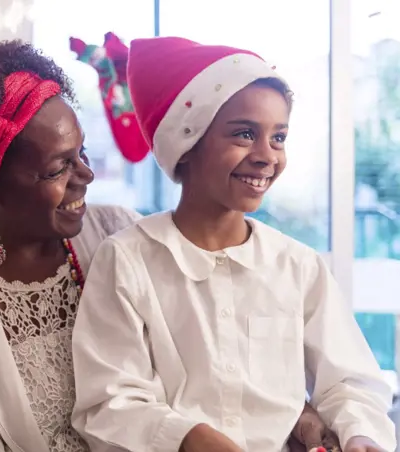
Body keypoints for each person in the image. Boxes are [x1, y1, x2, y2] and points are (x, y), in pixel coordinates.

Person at [0, 40, 339, 452]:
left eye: (82, 154)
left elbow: (208, 353)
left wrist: (290, 411)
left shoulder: (119, 233)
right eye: (57, 169)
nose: (86, 177)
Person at [70, 36, 396, 452]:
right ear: (186, 144)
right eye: (244, 134)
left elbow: (350, 383)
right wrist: (190, 438)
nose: (267, 156)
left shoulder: (298, 267)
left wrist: (359, 433)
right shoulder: (127, 261)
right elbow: (108, 405)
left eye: (278, 137)